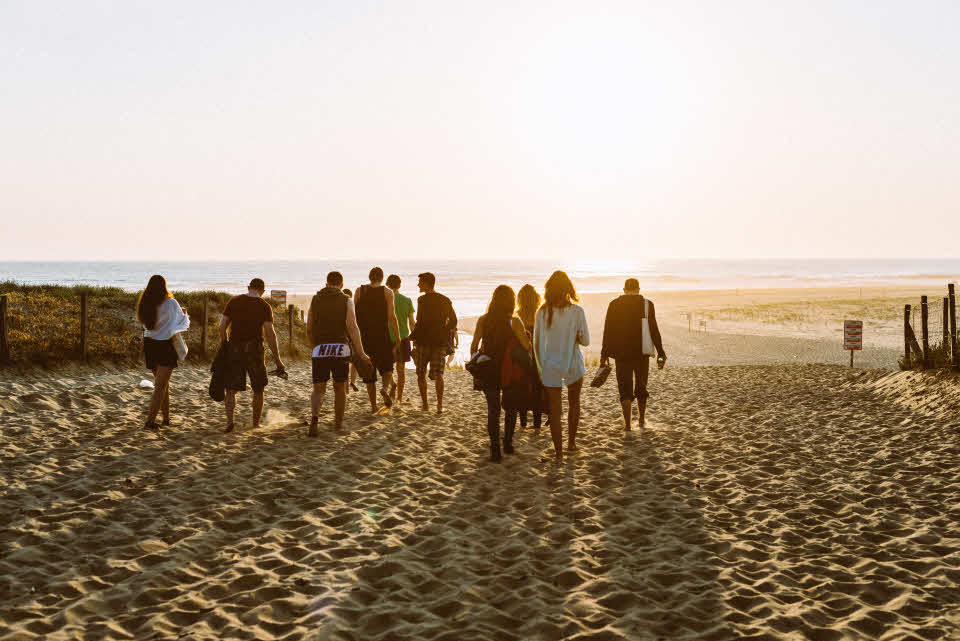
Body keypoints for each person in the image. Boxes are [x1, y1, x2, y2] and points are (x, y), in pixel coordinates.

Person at [470, 285, 532, 462]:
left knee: (493, 410)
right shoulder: (514, 321)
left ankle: (495, 450)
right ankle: (508, 444)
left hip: (488, 368)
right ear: (511, 302)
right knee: (510, 407)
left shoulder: (483, 320)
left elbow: (474, 346)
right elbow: (527, 347)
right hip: (509, 370)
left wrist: (476, 361)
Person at [305, 271, 371, 436]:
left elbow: (309, 327)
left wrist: (314, 346)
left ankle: (314, 418)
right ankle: (338, 424)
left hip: (320, 348)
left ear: (326, 283)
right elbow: (352, 327)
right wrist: (361, 352)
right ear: (341, 285)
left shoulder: (315, 299)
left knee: (318, 388)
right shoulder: (346, 300)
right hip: (340, 349)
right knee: (340, 388)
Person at [534, 270, 589, 461]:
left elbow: (536, 343)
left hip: (550, 366)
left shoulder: (542, 312)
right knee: (574, 404)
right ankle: (571, 444)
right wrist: (575, 335)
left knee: (555, 412)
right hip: (573, 364)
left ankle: (558, 453)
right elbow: (586, 341)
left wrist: (540, 369)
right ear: (568, 289)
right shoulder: (577, 311)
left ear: (548, 289)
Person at [218, 278, 286, 433]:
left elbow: (222, 327)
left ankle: (229, 422)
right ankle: (255, 423)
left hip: (234, 348)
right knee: (258, 387)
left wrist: (225, 345)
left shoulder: (234, 301)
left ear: (249, 287)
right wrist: (278, 360)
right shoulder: (264, 306)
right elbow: (270, 335)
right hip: (254, 350)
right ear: (263, 291)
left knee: (231, 387)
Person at [600, 278, 667, 430]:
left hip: (621, 354)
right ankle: (642, 421)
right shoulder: (647, 304)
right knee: (641, 387)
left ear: (624, 289)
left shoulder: (614, 305)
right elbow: (654, 330)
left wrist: (604, 354)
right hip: (641, 353)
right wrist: (661, 352)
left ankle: (628, 425)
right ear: (638, 289)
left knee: (624, 388)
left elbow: (607, 331)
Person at [137, 275, 189, 430]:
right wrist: (184, 313)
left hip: (150, 344)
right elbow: (182, 322)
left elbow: (146, 324)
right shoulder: (171, 302)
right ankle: (150, 421)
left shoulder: (145, 303)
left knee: (163, 384)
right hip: (165, 345)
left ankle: (166, 418)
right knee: (160, 386)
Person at [408, 272, 457, 414]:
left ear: (426, 283)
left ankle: (425, 405)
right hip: (439, 342)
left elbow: (420, 322)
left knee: (421, 374)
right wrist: (444, 331)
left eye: (420, 282)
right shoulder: (445, 300)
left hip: (423, 342)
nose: (418, 285)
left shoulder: (421, 300)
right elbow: (453, 321)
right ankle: (440, 406)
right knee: (439, 374)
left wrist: (414, 339)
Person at [354, 267, 401, 412]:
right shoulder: (387, 292)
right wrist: (398, 337)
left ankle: (374, 406)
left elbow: (353, 315)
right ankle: (385, 388)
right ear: (382, 278)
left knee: (370, 372)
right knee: (387, 368)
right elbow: (391, 317)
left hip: (365, 337)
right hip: (382, 335)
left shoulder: (359, 291)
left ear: (369, 277)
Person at [516, 284, 544, 431]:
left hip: (521, 356)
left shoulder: (516, 316)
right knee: (537, 389)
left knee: (522, 388)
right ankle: (537, 425)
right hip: (538, 356)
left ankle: (523, 423)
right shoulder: (540, 315)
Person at [386, 274, 416, 405]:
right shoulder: (407, 300)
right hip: (403, 338)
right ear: (399, 285)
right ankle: (399, 397)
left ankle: (391, 387)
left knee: (387, 368)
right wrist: (414, 339)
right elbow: (412, 322)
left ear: (387, 285)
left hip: (387, 338)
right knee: (401, 369)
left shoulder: (385, 300)